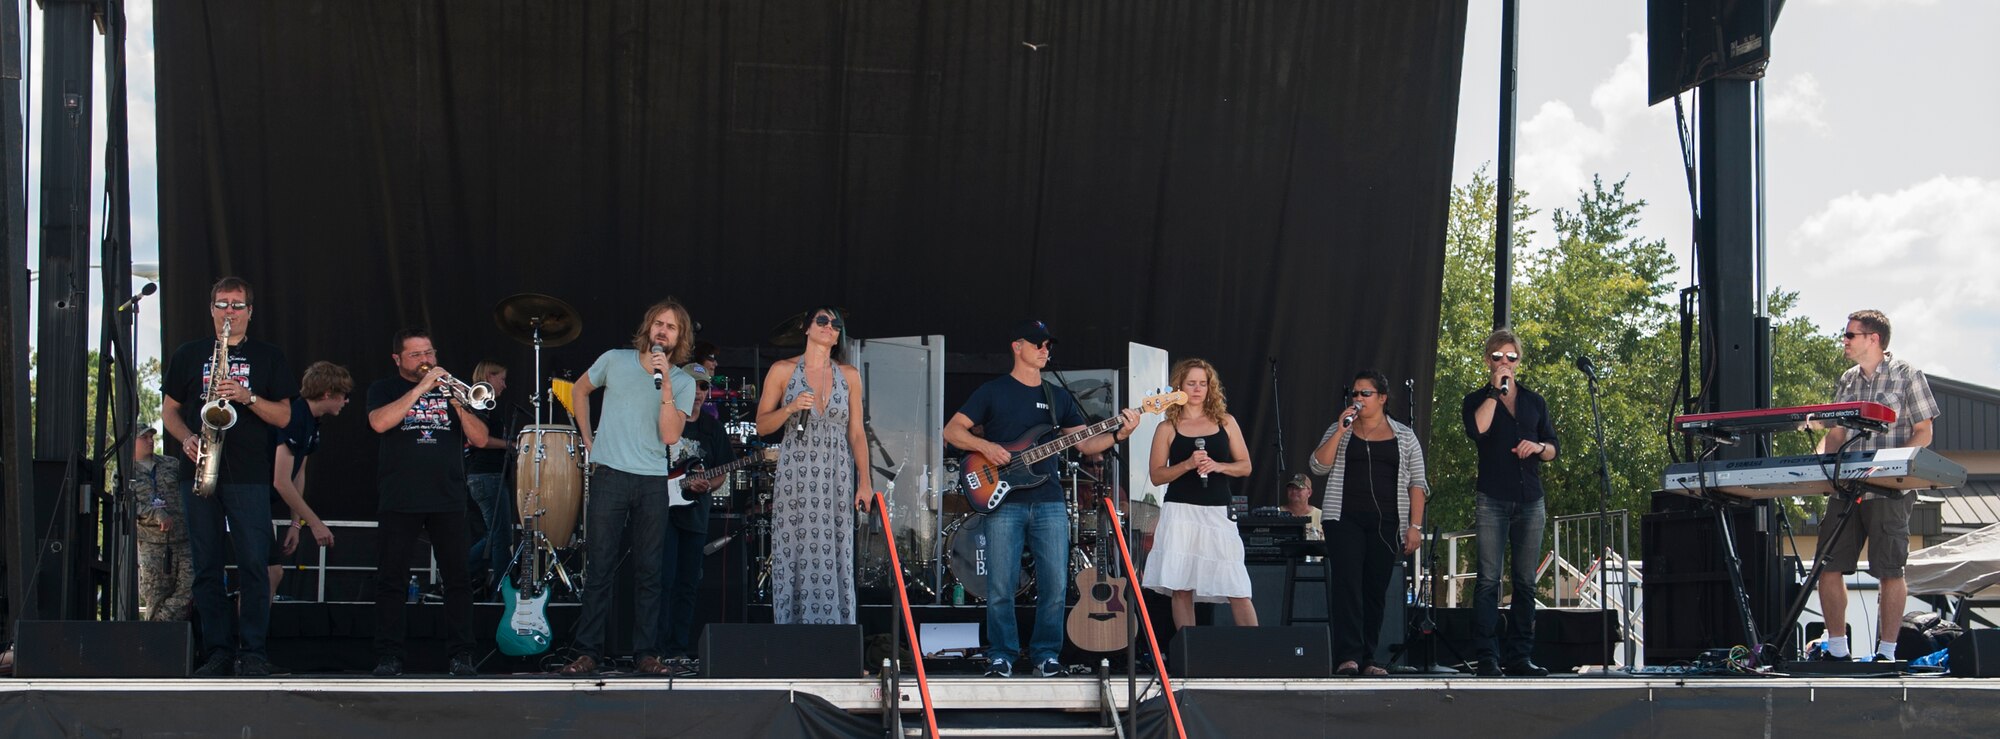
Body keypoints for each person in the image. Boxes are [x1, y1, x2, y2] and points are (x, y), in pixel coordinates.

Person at [943, 320, 1139, 679]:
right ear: (1017, 346)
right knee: (1000, 584)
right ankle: (1001, 654)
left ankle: (1045, 655)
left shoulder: (1058, 396)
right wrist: (987, 446)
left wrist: (1119, 434)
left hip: (1049, 500)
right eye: (1037, 343)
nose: (1045, 349)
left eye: (1048, 344)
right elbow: (952, 430)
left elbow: (1084, 443)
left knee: (1054, 584)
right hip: (1003, 500)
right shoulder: (993, 391)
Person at [161, 276, 296, 677]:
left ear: (250, 312)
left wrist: (247, 396)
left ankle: (253, 651)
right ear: (212, 309)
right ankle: (217, 649)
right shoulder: (189, 354)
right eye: (223, 304)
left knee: (254, 563)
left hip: (250, 471)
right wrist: (186, 438)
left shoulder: (269, 357)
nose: (229, 312)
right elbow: (170, 410)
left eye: (237, 305)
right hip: (200, 467)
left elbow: (286, 416)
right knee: (207, 565)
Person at [558, 298, 698, 676]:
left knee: (650, 571)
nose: (662, 331)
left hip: (652, 480)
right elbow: (579, 390)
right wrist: (589, 442)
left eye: (670, 327)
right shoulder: (615, 360)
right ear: (647, 327)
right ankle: (587, 652)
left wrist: (665, 382)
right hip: (610, 475)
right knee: (600, 565)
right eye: (658, 324)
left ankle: (646, 654)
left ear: (679, 337)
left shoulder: (683, 382)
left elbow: (670, 435)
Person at [1812, 309, 1939, 662]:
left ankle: (1887, 653)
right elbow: (1835, 433)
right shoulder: (1848, 380)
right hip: (1846, 488)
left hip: (1890, 490)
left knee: (1888, 569)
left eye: (1850, 335)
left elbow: (1924, 432)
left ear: (1874, 339)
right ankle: (1837, 650)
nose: (1845, 341)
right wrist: (1819, 465)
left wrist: (1892, 467)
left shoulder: (1907, 375)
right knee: (1828, 566)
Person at [365, 329, 489, 677]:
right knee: (392, 579)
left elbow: (478, 439)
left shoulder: (453, 390)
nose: (426, 360)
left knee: (458, 580)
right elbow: (379, 423)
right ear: (398, 359)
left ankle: (461, 655)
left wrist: (457, 404)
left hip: (447, 497)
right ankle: (389, 656)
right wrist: (421, 389)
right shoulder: (384, 389)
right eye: (417, 355)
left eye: (429, 353)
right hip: (400, 497)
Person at [753, 306, 874, 625]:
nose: (829, 327)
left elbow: (858, 433)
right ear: (806, 328)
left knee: (836, 550)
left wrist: (865, 482)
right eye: (822, 320)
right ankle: (795, 637)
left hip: (836, 472)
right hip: (797, 473)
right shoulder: (782, 370)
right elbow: (762, 426)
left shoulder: (848, 375)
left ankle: (837, 636)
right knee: (796, 550)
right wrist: (790, 408)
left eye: (836, 324)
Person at [1311, 370, 1429, 676]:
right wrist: (1339, 430)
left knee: (1375, 589)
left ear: (1382, 398)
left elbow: (1418, 483)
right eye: (1355, 394)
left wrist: (1414, 526)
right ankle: (1347, 657)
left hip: (1387, 522)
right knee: (1347, 586)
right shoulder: (1342, 429)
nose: (1359, 399)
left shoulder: (1404, 436)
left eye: (1366, 394)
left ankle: (1369, 658)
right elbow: (1317, 466)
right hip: (1344, 519)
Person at [1461, 329, 1558, 677]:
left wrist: (1538, 448)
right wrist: (1494, 391)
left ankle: (1520, 656)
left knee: (1525, 582)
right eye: (1499, 356)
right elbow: (1478, 430)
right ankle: (1487, 657)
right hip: (1493, 498)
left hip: (1531, 499)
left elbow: (1552, 447)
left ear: (1519, 361)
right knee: (1488, 579)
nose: (1506, 362)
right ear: (1489, 360)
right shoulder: (1476, 399)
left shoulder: (1535, 402)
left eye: (1512, 357)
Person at [1145, 358, 1256, 631]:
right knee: (1181, 585)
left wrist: (1218, 466)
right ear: (1179, 387)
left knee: (1236, 584)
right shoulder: (1167, 427)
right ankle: (1189, 653)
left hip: (1218, 509)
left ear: (1210, 388)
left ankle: (1259, 654)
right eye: (1191, 383)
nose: (1197, 389)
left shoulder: (1225, 421)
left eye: (1203, 384)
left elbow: (1246, 466)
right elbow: (1157, 475)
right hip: (1180, 511)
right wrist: (1186, 465)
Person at [659, 362, 737, 669]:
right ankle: (654, 647)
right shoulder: (669, 419)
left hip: (695, 514)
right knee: (662, 580)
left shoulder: (712, 428)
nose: (700, 393)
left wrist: (708, 484)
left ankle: (677, 648)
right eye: (695, 385)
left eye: (705, 387)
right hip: (663, 512)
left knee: (688, 583)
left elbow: (722, 470)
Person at [270, 361, 352, 599]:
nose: (346, 401)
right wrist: (315, 523)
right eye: (343, 395)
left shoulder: (311, 420)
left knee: (271, 574)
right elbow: (281, 481)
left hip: (265, 501)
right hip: (250, 498)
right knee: (267, 573)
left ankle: (252, 635)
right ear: (328, 394)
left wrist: (296, 523)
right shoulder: (294, 415)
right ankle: (246, 636)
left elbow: (298, 474)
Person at [131, 427, 193, 622]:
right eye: (144, 437)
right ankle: (156, 637)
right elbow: (128, 506)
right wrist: (154, 514)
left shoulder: (170, 464)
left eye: (152, 437)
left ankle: (160, 624)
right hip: (152, 545)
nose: (150, 441)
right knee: (155, 594)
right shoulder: (125, 472)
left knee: (190, 588)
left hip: (183, 540)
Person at [462, 360, 513, 592]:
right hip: (486, 476)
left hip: (487, 476)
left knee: (497, 534)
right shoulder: (480, 400)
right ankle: (502, 590)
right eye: (501, 378)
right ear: (489, 376)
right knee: (500, 536)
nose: (504, 384)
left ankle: (460, 571)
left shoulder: (487, 404)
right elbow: (476, 439)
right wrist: (509, 444)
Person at [1279, 474, 1324, 542]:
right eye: (1291, 488)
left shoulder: (1321, 516)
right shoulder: (1277, 513)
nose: (1294, 491)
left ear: (1309, 492)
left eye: (1298, 488)